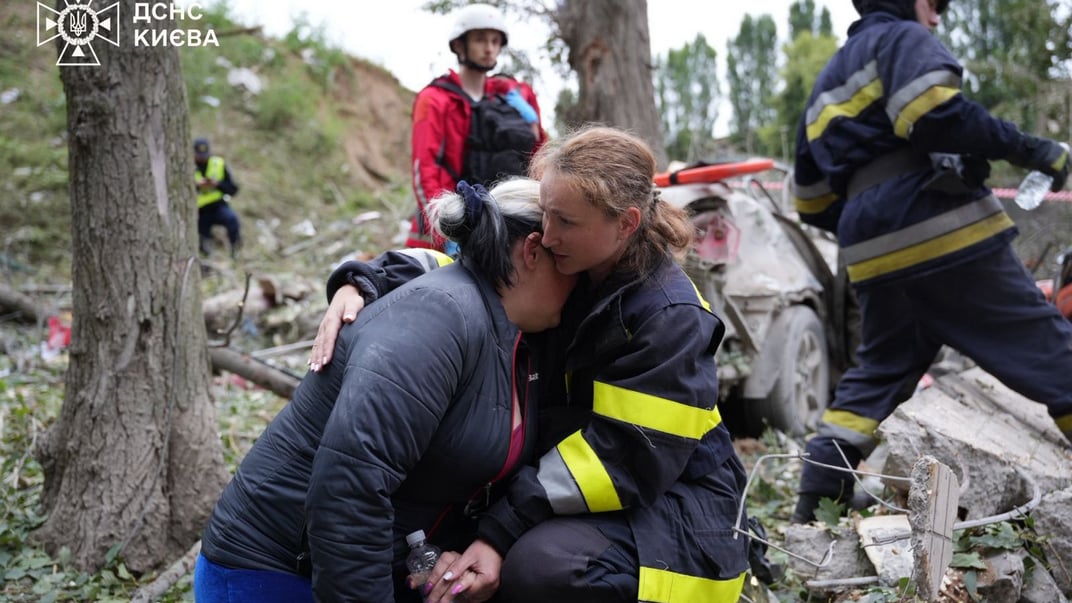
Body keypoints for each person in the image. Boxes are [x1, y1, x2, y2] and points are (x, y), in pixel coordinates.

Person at [312, 126, 753, 603]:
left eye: (564, 221)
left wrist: (498, 532)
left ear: (625, 224)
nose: (546, 234)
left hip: (678, 510)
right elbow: (473, 273)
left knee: (540, 569)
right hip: (574, 494)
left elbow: (618, 460)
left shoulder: (669, 318)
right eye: (546, 215)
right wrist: (364, 279)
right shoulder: (580, 264)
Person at [194, 178, 577, 603]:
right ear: (531, 252)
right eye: (569, 265)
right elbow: (349, 490)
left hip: (364, 566)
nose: (579, 285)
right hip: (275, 571)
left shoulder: (514, 334)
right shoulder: (438, 321)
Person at [789, 0, 1072, 523]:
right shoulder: (901, 38)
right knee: (1049, 351)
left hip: (869, 251)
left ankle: (812, 509)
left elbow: (807, 198)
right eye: (935, 4)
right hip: (941, 228)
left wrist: (878, 218)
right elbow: (933, 115)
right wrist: (1036, 150)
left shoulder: (828, 80)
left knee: (877, 373)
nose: (937, 17)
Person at [406, 3, 548, 252]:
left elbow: (538, 156)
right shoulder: (435, 100)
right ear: (460, 45)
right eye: (481, 39)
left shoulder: (514, 97)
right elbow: (425, 169)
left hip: (507, 222)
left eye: (495, 41)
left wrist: (532, 121)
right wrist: (445, 225)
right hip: (452, 220)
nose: (490, 48)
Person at [193, 137, 242, 258]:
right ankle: (206, 260)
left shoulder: (218, 163)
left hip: (218, 206)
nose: (203, 157)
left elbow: (233, 189)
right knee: (202, 237)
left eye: (205, 154)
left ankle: (235, 252)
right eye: (199, 154)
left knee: (232, 220)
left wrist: (217, 184)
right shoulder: (186, 166)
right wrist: (197, 186)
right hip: (199, 211)